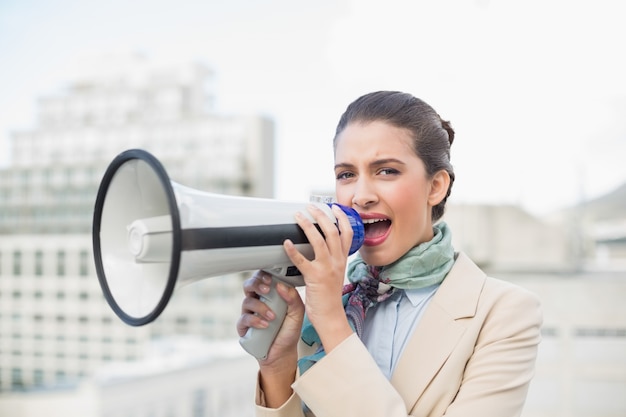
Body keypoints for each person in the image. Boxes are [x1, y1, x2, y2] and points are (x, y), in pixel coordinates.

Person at [237, 91, 543, 417]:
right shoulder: (328, 306)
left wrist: (330, 319)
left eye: (386, 171)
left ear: (436, 186)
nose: (360, 195)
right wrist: (278, 366)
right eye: (346, 174)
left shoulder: (505, 313)